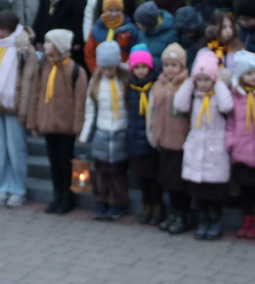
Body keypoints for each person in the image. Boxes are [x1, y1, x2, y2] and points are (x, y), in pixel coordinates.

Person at [26, 30, 88, 215]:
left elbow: (80, 102)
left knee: (65, 161)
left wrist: (78, 127)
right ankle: (57, 195)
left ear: (59, 46)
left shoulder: (75, 70)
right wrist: (33, 122)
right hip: (48, 124)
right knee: (54, 162)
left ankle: (67, 197)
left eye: (48, 43)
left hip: (66, 127)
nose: (44, 46)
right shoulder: (43, 67)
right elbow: (35, 95)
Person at [174, 51, 234, 240]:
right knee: (198, 190)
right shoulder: (195, 95)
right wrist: (189, 82)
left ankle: (214, 219)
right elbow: (179, 104)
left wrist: (219, 84)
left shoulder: (217, 95)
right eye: (199, 79)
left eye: (206, 79)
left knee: (214, 191)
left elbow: (227, 106)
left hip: (215, 149)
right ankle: (202, 219)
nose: (202, 83)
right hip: (196, 148)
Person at [0, 10, 38, 208]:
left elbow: (28, 81)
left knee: (16, 150)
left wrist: (23, 110)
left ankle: (18, 189)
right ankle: (3, 187)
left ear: (7, 28)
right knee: (0, 151)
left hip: (14, 106)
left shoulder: (24, 48)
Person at [78, 41, 131, 221]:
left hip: (120, 132)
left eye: (112, 68)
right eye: (105, 68)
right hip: (102, 132)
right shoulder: (96, 82)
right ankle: (101, 201)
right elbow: (90, 110)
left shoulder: (125, 79)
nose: (108, 72)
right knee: (101, 172)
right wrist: (86, 134)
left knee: (117, 172)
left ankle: (117, 203)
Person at [225, 50, 255, 239]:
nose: (253, 77)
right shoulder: (235, 95)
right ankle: (247, 219)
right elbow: (230, 122)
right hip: (241, 149)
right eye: (248, 73)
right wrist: (231, 142)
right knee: (245, 189)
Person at [149, 43, 193, 234]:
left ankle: (183, 214)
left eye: (174, 65)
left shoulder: (188, 84)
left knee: (179, 183)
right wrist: (152, 134)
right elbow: (151, 112)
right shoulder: (158, 85)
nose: (170, 69)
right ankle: (173, 212)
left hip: (181, 142)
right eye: (167, 64)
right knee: (167, 180)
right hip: (163, 141)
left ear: (182, 66)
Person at [124, 47, 163, 225]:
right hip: (135, 139)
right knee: (142, 178)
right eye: (137, 67)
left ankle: (157, 207)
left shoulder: (154, 87)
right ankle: (146, 205)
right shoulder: (130, 87)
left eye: (143, 67)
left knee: (154, 178)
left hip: (150, 140)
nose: (140, 71)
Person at [85, 0, 138, 73]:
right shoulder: (96, 29)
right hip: (101, 73)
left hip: (123, 74)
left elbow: (134, 53)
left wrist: (126, 70)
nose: (114, 14)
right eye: (110, 10)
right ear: (104, 10)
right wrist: (96, 71)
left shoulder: (130, 29)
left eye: (117, 10)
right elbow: (89, 53)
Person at [134, 1, 177, 70]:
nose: (137, 25)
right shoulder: (142, 33)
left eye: (140, 23)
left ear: (147, 25)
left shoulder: (170, 35)